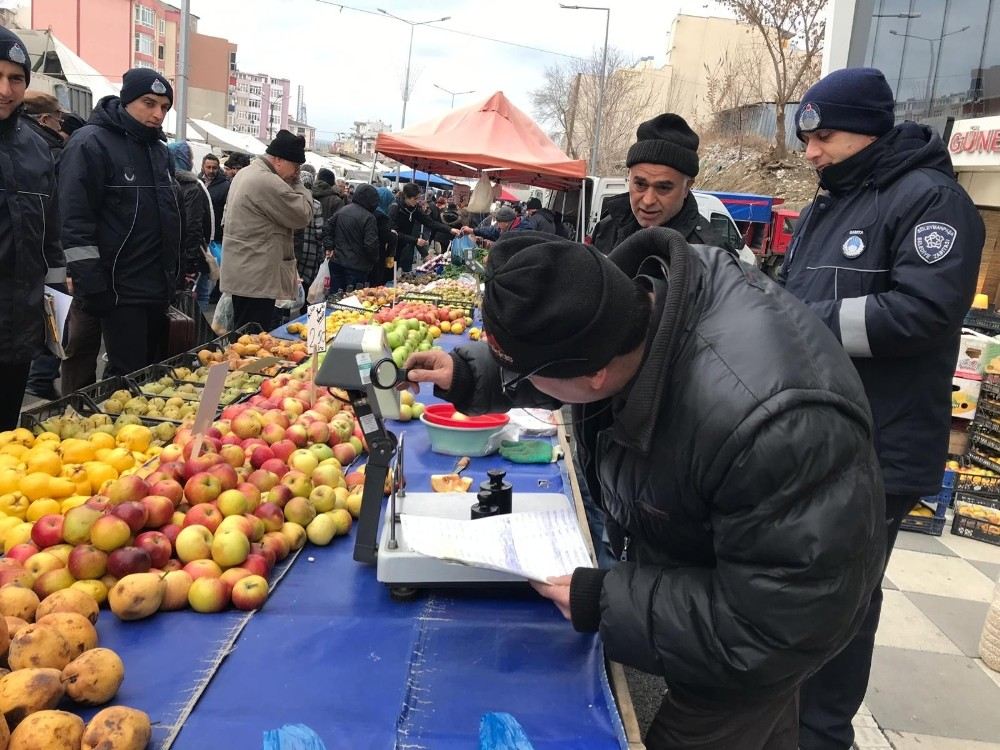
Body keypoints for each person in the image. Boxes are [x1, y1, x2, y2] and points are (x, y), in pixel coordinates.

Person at [403, 227, 885, 749]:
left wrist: (610, 601)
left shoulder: (772, 424)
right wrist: (474, 375)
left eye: (536, 379)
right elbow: (560, 352)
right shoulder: (628, 308)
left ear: (593, 377)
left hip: (771, 627)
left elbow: (783, 620)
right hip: (720, 556)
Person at [779, 67, 985, 750]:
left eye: (824, 137)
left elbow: (923, 312)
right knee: (805, 596)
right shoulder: (829, 203)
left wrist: (804, 321)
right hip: (818, 437)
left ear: (869, 129)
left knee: (843, 609)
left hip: (876, 450)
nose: (810, 153)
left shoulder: (931, 202)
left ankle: (821, 738)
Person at [60, 68, 181, 379]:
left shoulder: (159, 151)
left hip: (155, 288)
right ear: (127, 101)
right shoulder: (90, 143)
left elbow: (168, 217)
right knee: (122, 378)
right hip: (116, 289)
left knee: (148, 377)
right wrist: (94, 286)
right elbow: (75, 221)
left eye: (164, 108)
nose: (158, 114)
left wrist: (175, 275)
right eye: (149, 103)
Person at [0, 29, 66, 427]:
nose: (5, 89)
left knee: (7, 437)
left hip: (19, 325)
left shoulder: (37, 148)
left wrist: (56, 299)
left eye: (16, 78)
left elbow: (51, 236)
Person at [591, 113, 730, 255]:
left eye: (663, 188)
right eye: (640, 184)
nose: (648, 201)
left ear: (687, 187)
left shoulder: (711, 256)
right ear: (629, 177)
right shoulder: (607, 228)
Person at [220, 129, 313, 331]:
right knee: (253, 339)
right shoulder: (266, 180)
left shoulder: (246, 173)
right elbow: (303, 214)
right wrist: (298, 183)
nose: (296, 172)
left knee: (244, 335)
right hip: (257, 277)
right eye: (295, 166)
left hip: (246, 271)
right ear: (278, 160)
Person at [20, 91, 73, 401]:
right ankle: (40, 377)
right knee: (52, 320)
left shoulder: (37, 150)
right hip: (44, 259)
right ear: (44, 119)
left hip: (35, 258)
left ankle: (38, 377)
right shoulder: (48, 152)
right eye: (58, 118)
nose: (60, 125)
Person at [168, 142, 213, 300]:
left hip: (168, 256)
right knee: (196, 300)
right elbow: (193, 226)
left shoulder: (163, 182)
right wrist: (191, 262)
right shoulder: (192, 188)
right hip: (188, 257)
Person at [388, 182, 461, 272]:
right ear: (406, 196)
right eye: (415, 198)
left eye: (418, 198)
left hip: (406, 247)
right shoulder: (395, 208)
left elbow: (430, 222)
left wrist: (450, 230)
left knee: (402, 273)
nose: (418, 201)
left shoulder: (414, 209)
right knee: (389, 276)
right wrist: (415, 240)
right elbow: (394, 233)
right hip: (392, 249)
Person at [321, 183, 380, 294]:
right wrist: (374, 260)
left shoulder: (343, 210)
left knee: (335, 298)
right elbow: (370, 245)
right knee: (353, 301)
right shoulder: (369, 218)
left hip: (337, 262)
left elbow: (327, 228)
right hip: (358, 267)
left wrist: (330, 247)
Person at [199, 153, 229, 307]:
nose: (211, 170)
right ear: (203, 166)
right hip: (202, 235)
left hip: (217, 236)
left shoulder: (225, 186)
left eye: (214, 168)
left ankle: (212, 299)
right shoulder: (197, 183)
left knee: (214, 270)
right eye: (208, 167)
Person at [370, 186, 398, 287]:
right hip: (377, 254)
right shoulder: (381, 216)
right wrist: (393, 235)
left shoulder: (369, 211)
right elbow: (383, 235)